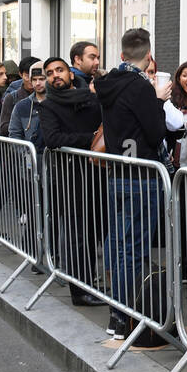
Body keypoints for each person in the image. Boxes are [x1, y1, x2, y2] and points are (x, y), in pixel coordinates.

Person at [96, 29, 170, 339]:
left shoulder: (109, 83)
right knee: (133, 250)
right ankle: (125, 318)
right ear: (149, 56)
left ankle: (117, 315)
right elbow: (155, 133)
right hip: (141, 177)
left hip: (118, 175)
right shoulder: (140, 87)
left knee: (120, 244)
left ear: (123, 55)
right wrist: (158, 101)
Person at [36, 56, 107, 309]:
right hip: (71, 178)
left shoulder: (90, 98)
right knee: (79, 237)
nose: (55, 75)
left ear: (69, 73)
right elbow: (54, 138)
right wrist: (90, 139)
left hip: (98, 175)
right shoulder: (47, 106)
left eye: (60, 70)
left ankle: (98, 283)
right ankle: (80, 290)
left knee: (99, 231)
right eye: (50, 72)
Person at [8, 60, 47, 150]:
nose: (37, 83)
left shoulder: (57, 103)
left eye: (41, 79)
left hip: (54, 161)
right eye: (34, 79)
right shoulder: (20, 106)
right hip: (30, 160)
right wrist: (26, 156)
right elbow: (14, 134)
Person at [0, 55, 40, 132]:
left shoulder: (47, 96)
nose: (31, 80)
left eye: (35, 76)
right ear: (20, 74)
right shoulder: (12, 98)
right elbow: (3, 127)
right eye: (27, 76)